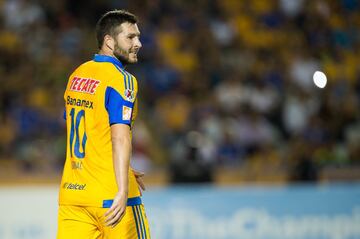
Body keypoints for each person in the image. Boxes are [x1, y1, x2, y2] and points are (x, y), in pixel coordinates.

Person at [57, 10, 150, 239]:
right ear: (109, 40)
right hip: (112, 197)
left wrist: (121, 164)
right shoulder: (121, 79)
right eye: (130, 37)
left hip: (73, 196)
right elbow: (119, 136)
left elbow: (86, 130)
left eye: (138, 37)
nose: (138, 43)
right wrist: (122, 188)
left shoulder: (78, 74)